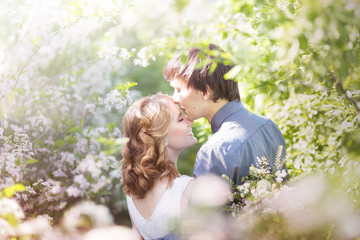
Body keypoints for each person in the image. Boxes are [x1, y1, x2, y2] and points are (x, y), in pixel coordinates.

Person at [163, 44, 288, 185]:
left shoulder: (215, 151)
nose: (174, 98)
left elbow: (203, 207)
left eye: (178, 90)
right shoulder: (268, 126)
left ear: (205, 91)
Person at [121, 93, 229, 240]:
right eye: (180, 119)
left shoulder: (131, 192)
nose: (189, 121)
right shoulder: (188, 189)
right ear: (161, 138)